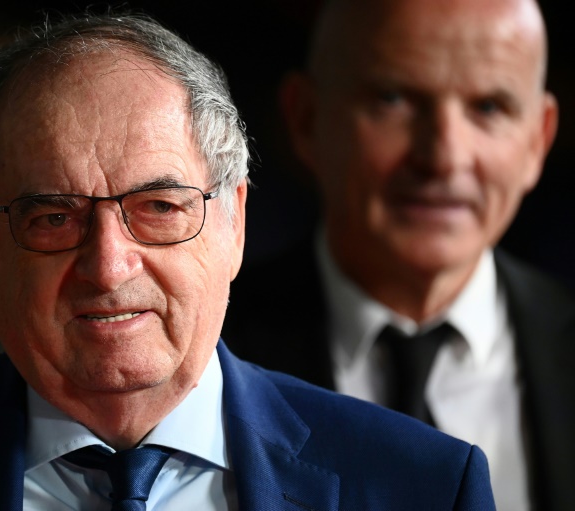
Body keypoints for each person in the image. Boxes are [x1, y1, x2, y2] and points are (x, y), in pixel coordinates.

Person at [0, 10, 495, 510]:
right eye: (54, 217)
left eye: (160, 207)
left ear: (234, 222)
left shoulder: (423, 486)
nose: (109, 267)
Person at [222, 0, 575, 510]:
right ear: (306, 119)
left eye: (489, 108)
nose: (444, 156)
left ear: (538, 140)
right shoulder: (202, 352)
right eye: (393, 100)